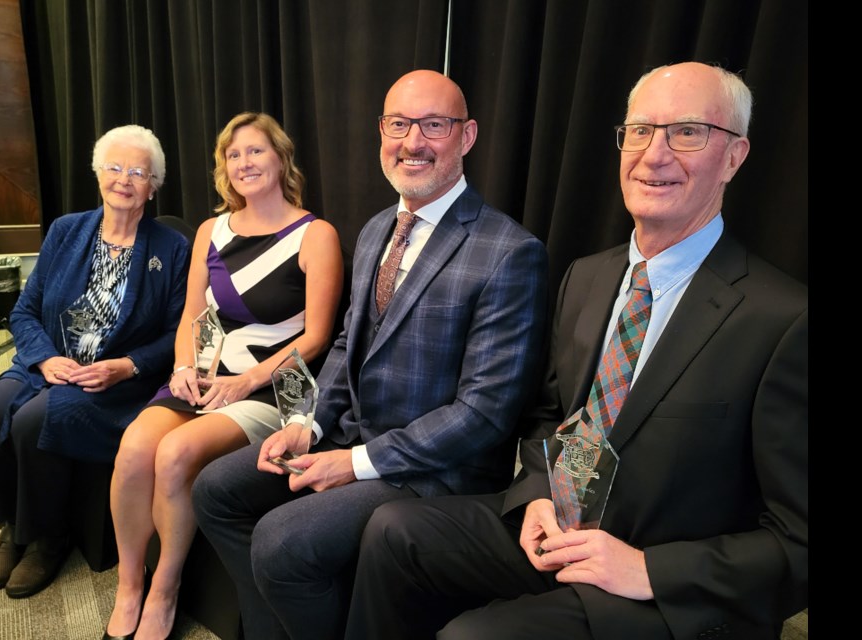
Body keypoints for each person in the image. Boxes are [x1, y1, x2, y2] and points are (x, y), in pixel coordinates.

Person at [344, 62, 808, 640]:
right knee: (393, 531)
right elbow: (548, 415)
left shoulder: (783, 320)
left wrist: (648, 570)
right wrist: (537, 494)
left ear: (734, 157)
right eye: (639, 131)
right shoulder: (586, 277)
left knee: (471, 637)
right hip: (561, 532)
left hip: (655, 585)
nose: (654, 154)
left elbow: (797, 539)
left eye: (686, 132)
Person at [192, 70, 548, 640]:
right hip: (349, 434)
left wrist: (354, 463)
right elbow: (344, 344)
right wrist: (308, 424)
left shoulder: (509, 252)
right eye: (399, 124)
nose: (413, 142)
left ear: (468, 135)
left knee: (282, 542)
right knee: (215, 490)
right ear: (381, 130)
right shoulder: (378, 227)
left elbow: (484, 414)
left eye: (434, 125)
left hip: (434, 470)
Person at [103, 112, 343, 640]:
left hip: (269, 391)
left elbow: (316, 339)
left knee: (176, 453)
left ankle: (165, 589)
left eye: (255, 151)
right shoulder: (211, 231)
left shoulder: (315, 234)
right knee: (134, 449)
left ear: (281, 158)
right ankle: (129, 585)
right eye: (233, 155)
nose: (243, 163)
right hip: (202, 380)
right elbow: (192, 315)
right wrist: (184, 367)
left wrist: (245, 380)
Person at [0, 125, 190, 599]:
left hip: (112, 381)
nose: (124, 180)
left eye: (138, 172)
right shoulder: (66, 231)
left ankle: (48, 537)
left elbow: (179, 332)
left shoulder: (172, 249)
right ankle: (13, 529)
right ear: (98, 173)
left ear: (153, 184)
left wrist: (127, 365)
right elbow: (25, 310)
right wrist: (45, 359)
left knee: (34, 421)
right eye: (114, 167)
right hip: (45, 364)